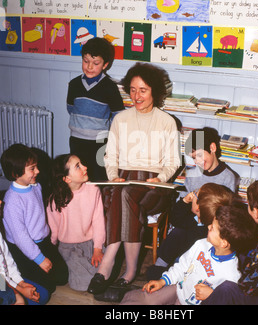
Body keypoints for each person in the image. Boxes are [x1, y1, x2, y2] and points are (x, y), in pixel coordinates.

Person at [87, 62, 180, 295]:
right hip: (125, 181)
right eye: (132, 89)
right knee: (122, 193)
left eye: (143, 90)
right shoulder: (121, 119)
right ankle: (128, 272)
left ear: (155, 92)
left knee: (122, 197)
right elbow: (110, 155)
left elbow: (173, 162)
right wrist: (113, 176)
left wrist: (161, 178)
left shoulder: (167, 121)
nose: (136, 96)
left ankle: (108, 264)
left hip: (156, 185)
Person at [120, 203, 257, 305]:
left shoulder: (232, 276)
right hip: (178, 289)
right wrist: (163, 281)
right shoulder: (201, 244)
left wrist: (211, 295)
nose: (208, 226)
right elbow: (182, 265)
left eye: (213, 228)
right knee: (138, 299)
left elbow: (224, 301)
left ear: (224, 243)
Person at [0, 144, 68, 294]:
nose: (37, 171)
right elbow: (20, 237)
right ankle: (17, 277)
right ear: (15, 173)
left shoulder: (36, 186)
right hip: (23, 248)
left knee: (63, 277)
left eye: (36, 166)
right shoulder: (12, 201)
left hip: (42, 241)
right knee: (48, 288)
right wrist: (39, 259)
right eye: (32, 168)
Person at [147, 183, 237, 280]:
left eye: (195, 194)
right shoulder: (195, 219)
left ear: (197, 208)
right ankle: (161, 264)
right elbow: (175, 219)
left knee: (153, 274)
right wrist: (184, 201)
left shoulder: (204, 234)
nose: (192, 194)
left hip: (188, 265)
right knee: (177, 232)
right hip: (182, 256)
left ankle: (163, 270)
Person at [67, 37, 124, 181]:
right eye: (86, 61)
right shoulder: (74, 84)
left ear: (105, 65)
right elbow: (70, 108)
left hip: (100, 142)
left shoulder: (109, 87)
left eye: (95, 63)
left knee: (98, 177)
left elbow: (118, 115)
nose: (89, 67)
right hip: (77, 140)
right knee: (78, 177)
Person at [47, 154, 106, 291]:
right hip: (69, 248)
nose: (85, 167)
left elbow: (98, 221)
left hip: (91, 242)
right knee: (81, 285)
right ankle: (73, 269)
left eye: (81, 163)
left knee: (105, 269)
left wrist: (97, 248)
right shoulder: (55, 199)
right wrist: (52, 250)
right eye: (78, 166)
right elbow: (53, 229)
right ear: (67, 179)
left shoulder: (94, 190)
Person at [0, 200, 49, 305]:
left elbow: (7, 261)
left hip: (6, 282)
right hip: (2, 287)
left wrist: (20, 282)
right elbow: (1, 283)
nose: (1, 201)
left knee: (43, 294)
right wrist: (18, 290)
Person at [182, 127, 239, 195]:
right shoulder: (192, 175)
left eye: (199, 155)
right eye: (193, 158)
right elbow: (182, 201)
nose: (196, 161)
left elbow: (228, 205)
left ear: (212, 148)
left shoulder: (228, 177)